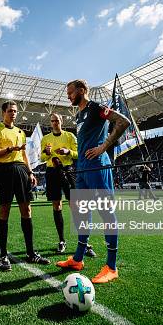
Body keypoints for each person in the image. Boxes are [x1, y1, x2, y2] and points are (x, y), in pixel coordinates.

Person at [56, 79, 130, 284]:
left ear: (81, 90)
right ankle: (78, 259)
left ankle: (111, 267)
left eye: (70, 92)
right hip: (82, 169)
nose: (68, 96)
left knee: (106, 213)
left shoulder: (96, 107)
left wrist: (104, 146)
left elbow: (123, 121)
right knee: (82, 213)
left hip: (98, 167)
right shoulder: (79, 114)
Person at [0, 101, 50, 272]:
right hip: (3, 170)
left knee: (27, 210)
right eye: (10, 111)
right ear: (3, 113)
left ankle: (30, 253)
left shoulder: (21, 132)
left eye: (15, 111)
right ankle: (3, 255)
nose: (13, 114)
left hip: (21, 170)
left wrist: (30, 173)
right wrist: (8, 149)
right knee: (4, 211)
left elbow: (23, 154)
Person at [41, 113, 96, 256]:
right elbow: (42, 157)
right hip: (52, 172)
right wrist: (46, 153)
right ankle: (61, 241)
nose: (54, 123)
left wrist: (68, 151)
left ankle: (84, 242)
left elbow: (79, 153)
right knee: (56, 205)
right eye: (52, 121)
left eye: (57, 120)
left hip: (68, 170)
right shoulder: (46, 138)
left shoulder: (70, 136)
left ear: (61, 120)